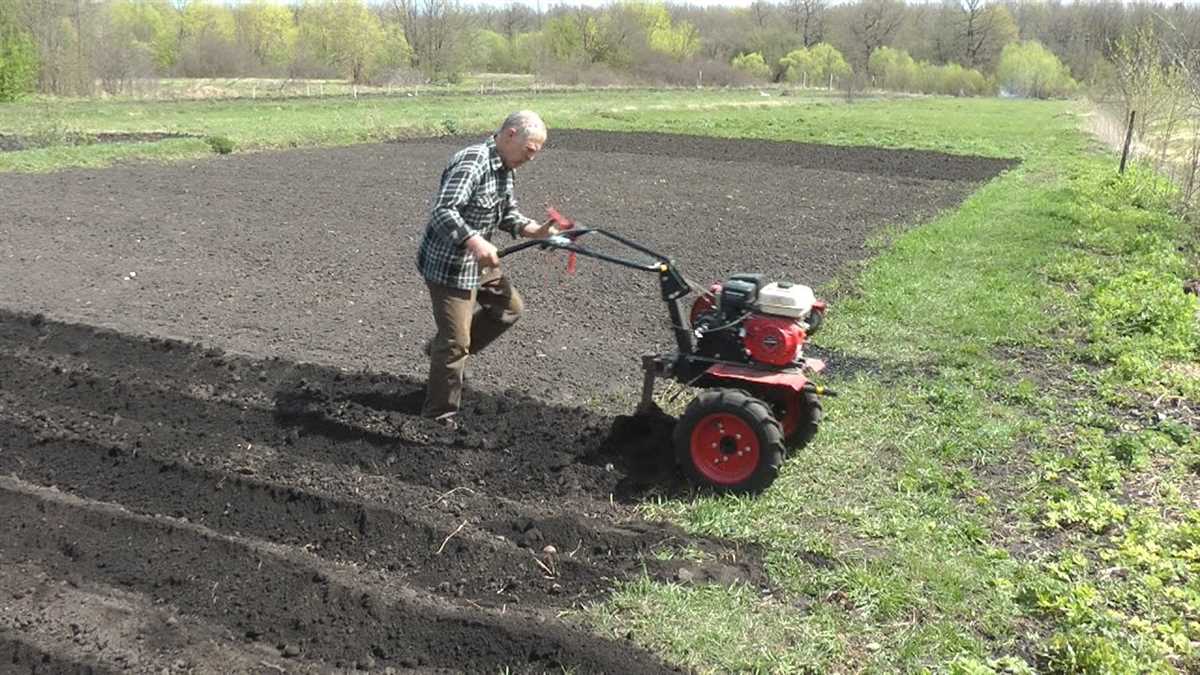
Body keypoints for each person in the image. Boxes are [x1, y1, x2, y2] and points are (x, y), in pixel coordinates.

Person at [416, 110, 556, 428]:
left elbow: (508, 214)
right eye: (530, 150)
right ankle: (438, 416)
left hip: (480, 266)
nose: (531, 158)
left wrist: (536, 231)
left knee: (510, 309)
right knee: (455, 344)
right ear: (510, 135)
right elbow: (443, 211)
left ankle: (443, 353)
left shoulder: (506, 168)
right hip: (450, 266)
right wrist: (476, 242)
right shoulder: (473, 162)